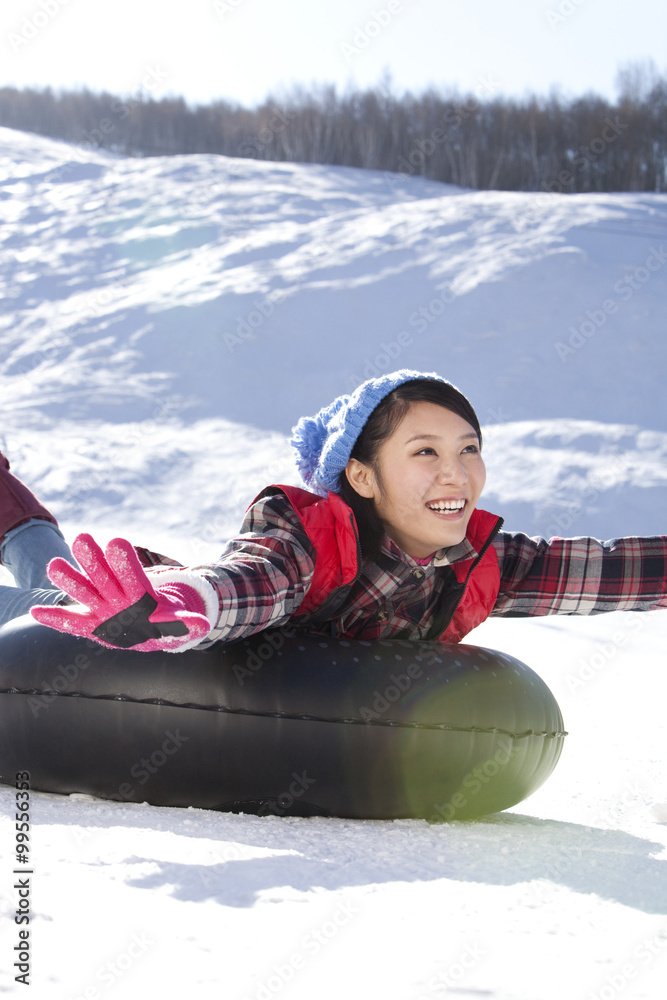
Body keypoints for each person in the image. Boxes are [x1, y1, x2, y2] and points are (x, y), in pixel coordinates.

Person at [1, 369, 666, 653]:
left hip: (143, 603)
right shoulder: (304, 534)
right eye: (425, 451)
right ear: (361, 476)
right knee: (40, 598)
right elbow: (256, 580)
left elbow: (608, 572)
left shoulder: (479, 564)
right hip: (149, 609)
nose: (455, 473)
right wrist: (187, 604)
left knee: (50, 569)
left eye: (468, 450)